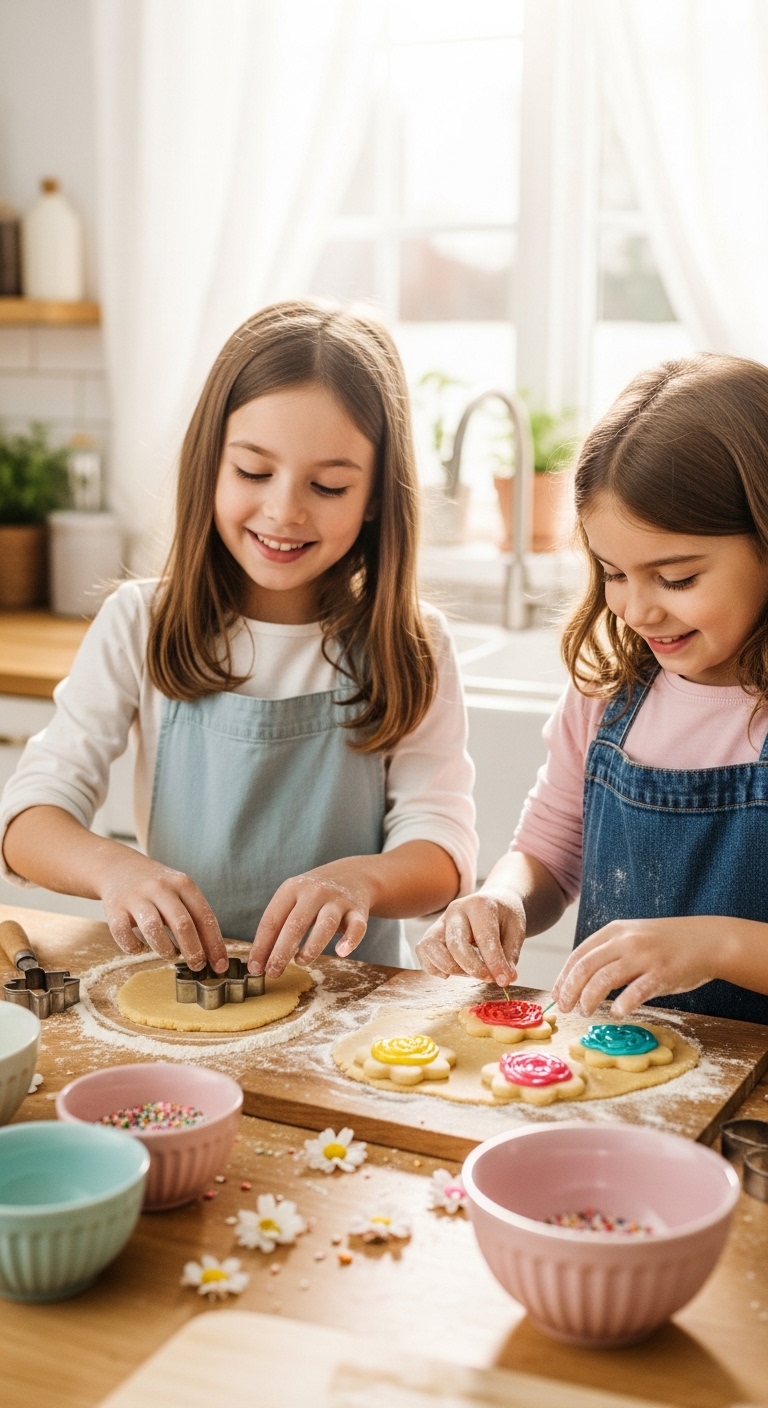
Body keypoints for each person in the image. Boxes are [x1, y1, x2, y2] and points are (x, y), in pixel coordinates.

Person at [1, 301, 476, 978]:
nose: (285, 509)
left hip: (349, 1015)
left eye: (328, 484)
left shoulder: (413, 644)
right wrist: (114, 870)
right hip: (176, 1000)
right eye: (254, 472)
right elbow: (26, 823)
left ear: (375, 495)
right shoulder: (140, 623)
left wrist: (362, 882)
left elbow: (442, 849)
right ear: (211, 465)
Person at [418, 353, 768, 1024]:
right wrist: (505, 899)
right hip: (613, 1075)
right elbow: (549, 852)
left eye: (677, 578)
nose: (637, 610)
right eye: (613, 573)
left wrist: (719, 943)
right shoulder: (608, 693)